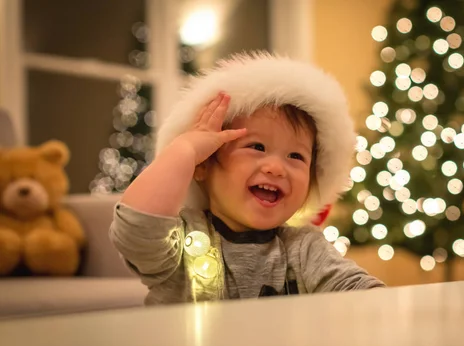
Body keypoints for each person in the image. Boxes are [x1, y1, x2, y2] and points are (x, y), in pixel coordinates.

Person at [109, 52, 385, 305]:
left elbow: (356, 289)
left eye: (296, 156)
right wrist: (186, 149)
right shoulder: (183, 240)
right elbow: (137, 229)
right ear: (203, 165)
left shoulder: (304, 249)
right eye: (257, 147)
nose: (276, 168)